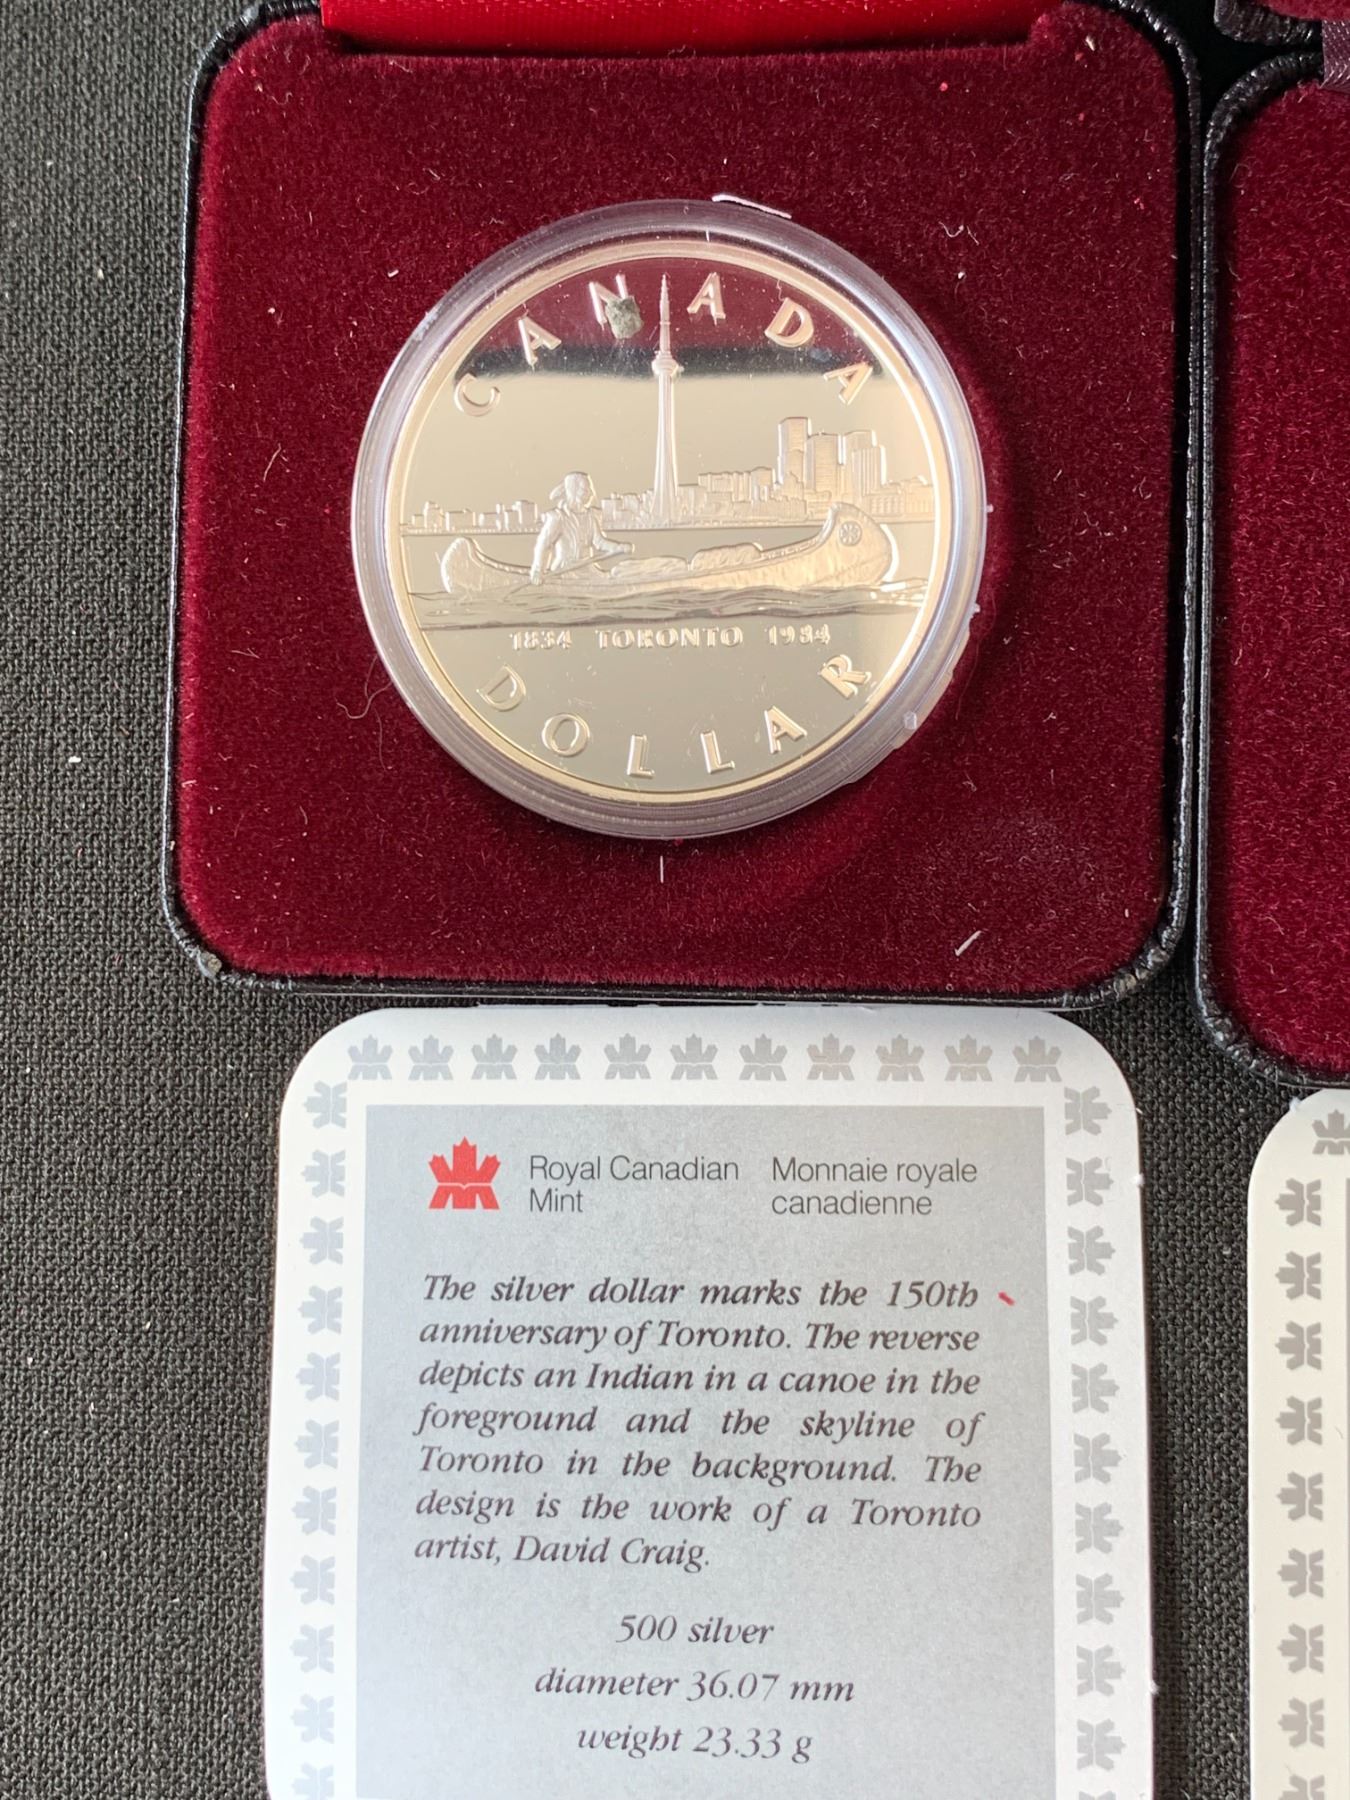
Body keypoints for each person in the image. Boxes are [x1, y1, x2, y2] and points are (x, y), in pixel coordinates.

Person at [529, 472, 630, 583]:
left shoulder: (591, 516)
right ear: (573, 490)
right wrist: (538, 570)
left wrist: (618, 547)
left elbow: (599, 542)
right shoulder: (559, 518)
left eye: (590, 489)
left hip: (586, 568)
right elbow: (544, 544)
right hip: (564, 571)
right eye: (585, 489)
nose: (591, 493)